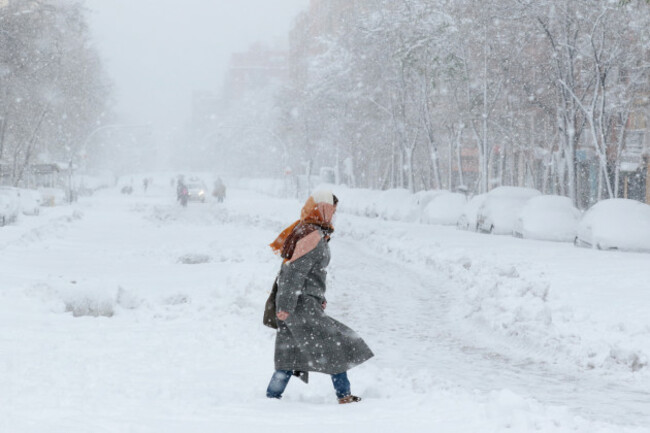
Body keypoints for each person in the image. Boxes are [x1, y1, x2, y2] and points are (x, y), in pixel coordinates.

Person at [266, 190, 374, 404]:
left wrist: (317, 296)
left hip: (302, 301)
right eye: (331, 210)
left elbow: (308, 273)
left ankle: (272, 396)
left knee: (289, 353)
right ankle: (344, 395)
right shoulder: (311, 236)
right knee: (334, 343)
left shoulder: (310, 230)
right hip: (299, 305)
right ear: (321, 209)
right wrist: (287, 305)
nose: (333, 215)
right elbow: (292, 273)